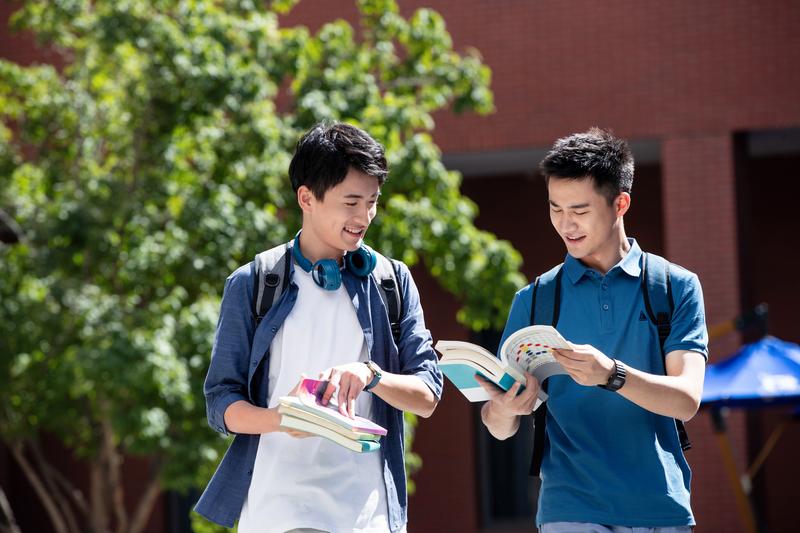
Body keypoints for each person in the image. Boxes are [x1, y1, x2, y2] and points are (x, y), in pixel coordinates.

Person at [194, 122, 442, 533]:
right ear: (306, 198)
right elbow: (221, 402)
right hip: (280, 511)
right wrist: (282, 419)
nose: (364, 217)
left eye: (373, 202)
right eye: (351, 202)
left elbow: (428, 397)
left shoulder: (391, 281)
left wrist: (371, 375)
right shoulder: (254, 282)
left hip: (367, 516)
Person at [478, 128, 708, 532]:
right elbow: (498, 426)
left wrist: (611, 375)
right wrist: (505, 408)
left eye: (579, 210)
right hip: (569, 508)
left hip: (661, 507)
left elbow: (686, 400)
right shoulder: (534, 301)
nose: (566, 224)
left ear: (620, 203)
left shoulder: (673, 287)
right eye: (555, 208)